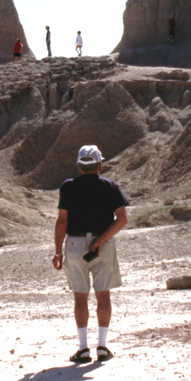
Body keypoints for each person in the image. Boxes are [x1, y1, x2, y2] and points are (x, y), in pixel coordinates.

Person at [52, 145, 129, 364]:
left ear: (79, 165)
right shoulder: (110, 186)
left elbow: (62, 221)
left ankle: (83, 348)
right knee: (103, 294)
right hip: (102, 245)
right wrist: (101, 240)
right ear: (100, 165)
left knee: (80, 296)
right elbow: (122, 218)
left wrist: (58, 251)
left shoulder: (68, 187)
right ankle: (102, 346)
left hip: (75, 244)